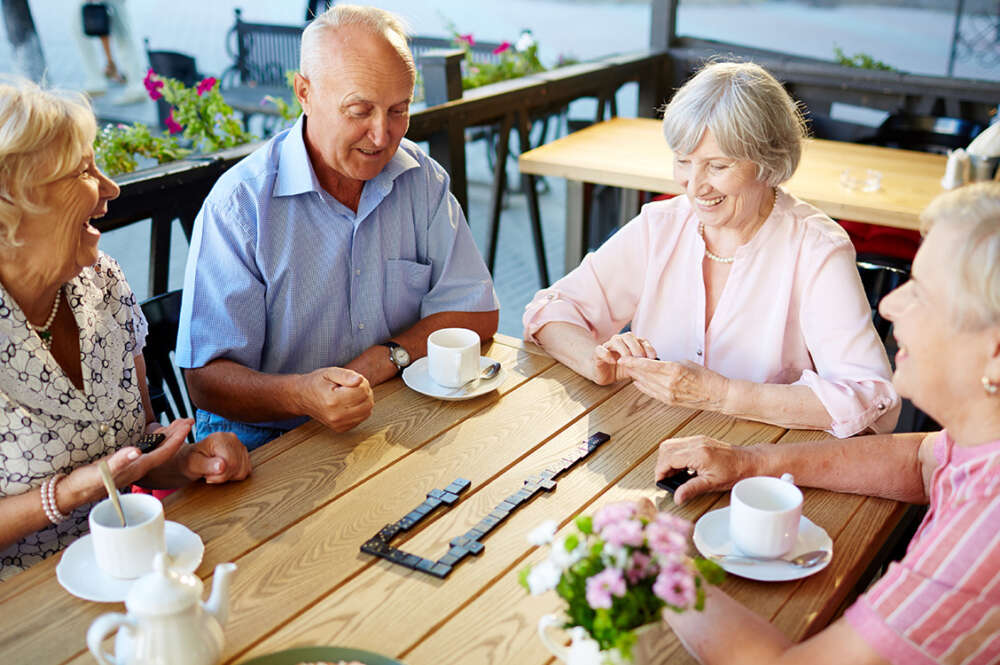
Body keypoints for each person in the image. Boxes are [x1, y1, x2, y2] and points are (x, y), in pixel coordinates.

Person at [652, 182, 1000, 664]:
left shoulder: (986, 530)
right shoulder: (984, 442)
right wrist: (749, 462)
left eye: (922, 293)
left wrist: (657, 563)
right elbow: (923, 459)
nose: (889, 305)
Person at [176, 5, 499, 450]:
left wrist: (389, 356)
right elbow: (206, 381)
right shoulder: (241, 205)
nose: (382, 136)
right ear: (304, 93)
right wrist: (301, 395)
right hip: (263, 442)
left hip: (389, 414)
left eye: (398, 111)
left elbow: (477, 312)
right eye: (359, 110)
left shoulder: (420, 178)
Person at [523, 61, 898, 437]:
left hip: (763, 465)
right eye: (684, 161)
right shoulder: (661, 226)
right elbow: (549, 310)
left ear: (769, 163)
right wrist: (596, 361)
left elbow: (873, 401)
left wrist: (722, 394)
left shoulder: (816, 250)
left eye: (718, 166)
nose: (695, 186)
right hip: (649, 440)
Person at [0, 78, 251, 581]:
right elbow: (97, 477)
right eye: (84, 172)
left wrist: (186, 460)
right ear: (15, 206)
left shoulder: (103, 282)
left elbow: (138, 442)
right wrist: (71, 492)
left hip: (133, 563)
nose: (110, 188)